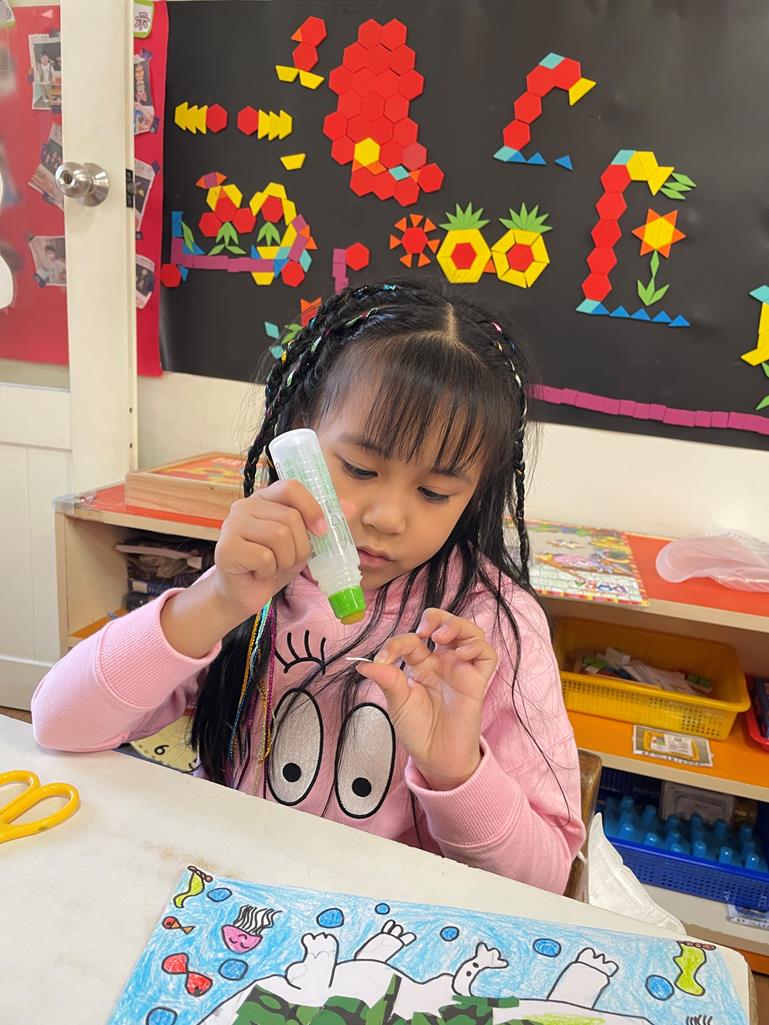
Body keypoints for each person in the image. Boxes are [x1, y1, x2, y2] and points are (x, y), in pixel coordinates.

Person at [32, 279, 584, 893]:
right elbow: (59, 724)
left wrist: (456, 770)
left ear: (475, 491)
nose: (387, 517)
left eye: (433, 492)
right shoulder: (259, 578)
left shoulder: (490, 627)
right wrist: (214, 602)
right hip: (226, 903)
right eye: (360, 468)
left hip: (379, 929)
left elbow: (547, 879)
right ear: (299, 437)